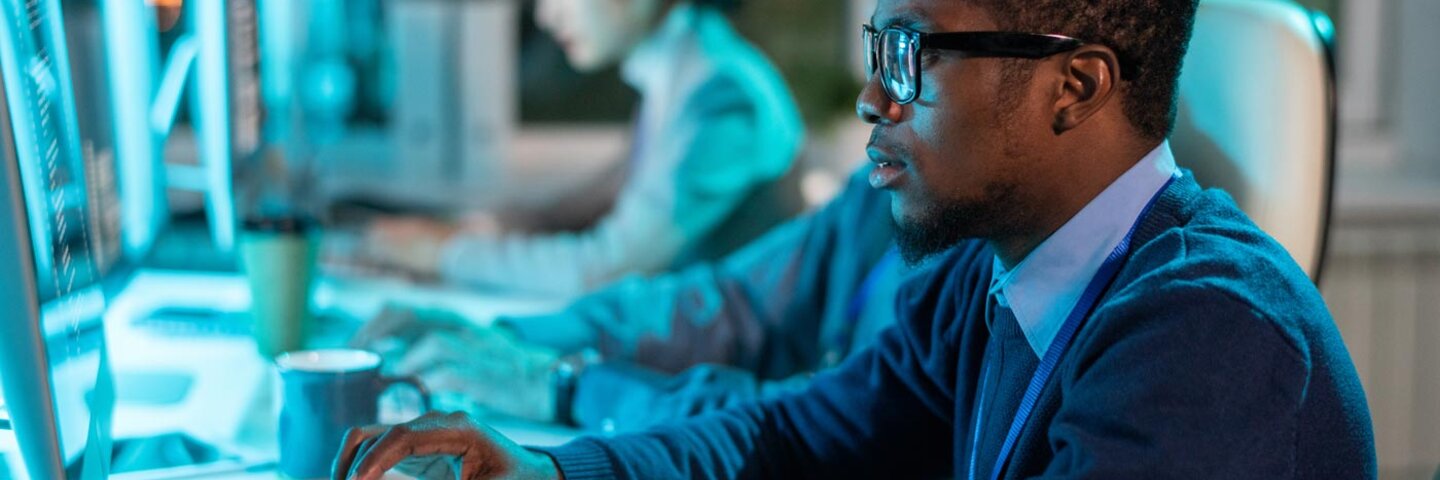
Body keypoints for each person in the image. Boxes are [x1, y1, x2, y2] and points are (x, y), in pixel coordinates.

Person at [332, 0, 1379, 478]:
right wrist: (552, 473)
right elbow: (794, 439)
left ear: (1077, 87)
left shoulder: (1210, 350)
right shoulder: (985, 269)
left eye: (911, 51)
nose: (875, 93)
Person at [351, 165, 905, 430]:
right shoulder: (878, 191)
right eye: (872, 48)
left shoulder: (723, 98)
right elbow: (732, 301)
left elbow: (831, 418)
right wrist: (508, 339)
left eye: (912, 50)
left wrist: (563, 383)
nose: (869, 101)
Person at [352, 0, 806, 297]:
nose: (546, 16)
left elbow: (605, 269)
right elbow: (590, 203)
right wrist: (469, 230)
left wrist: (443, 253)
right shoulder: (685, 74)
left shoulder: (722, 95)